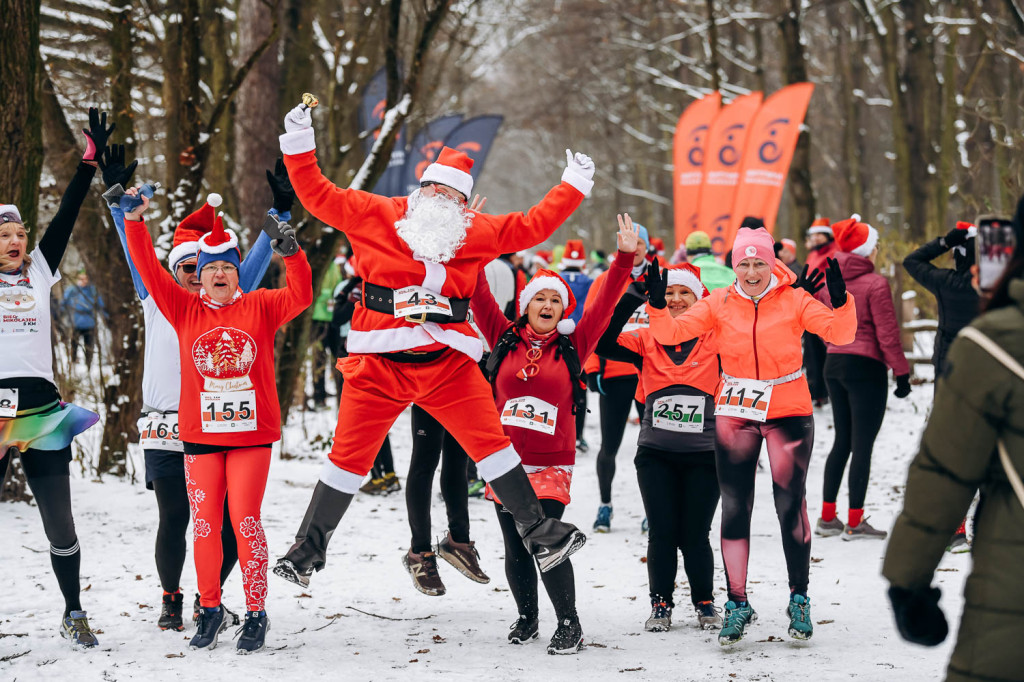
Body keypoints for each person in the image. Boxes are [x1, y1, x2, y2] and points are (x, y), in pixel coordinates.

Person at [274, 101, 594, 595]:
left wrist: (572, 184)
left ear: (464, 205)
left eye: (452, 196)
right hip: (378, 361)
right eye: (434, 190)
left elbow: (533, 225)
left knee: (491, 446)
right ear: (419, 190)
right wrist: (299, 143)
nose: (441, 200)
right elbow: (318, 194)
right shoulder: (376, 213)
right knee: (348, 457)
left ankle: (541, 533)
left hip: (447, 363)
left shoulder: (474, 231)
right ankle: (307, 550)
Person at [123, 184, 312, 653]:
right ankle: (209, 610)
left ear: (238, 275)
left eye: (229, 266)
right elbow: (147, 267)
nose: (221, 274)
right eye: (211, 269)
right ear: (200, 279)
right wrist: (133, 219)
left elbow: (303, 295)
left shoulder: (262, 305)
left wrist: (292, 254)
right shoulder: (182, 308)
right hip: (201, 436)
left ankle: (256, 612)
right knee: (204, 524)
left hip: (251, 434)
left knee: (244, 520)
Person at [644, 226, 856, 645]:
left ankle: (799, 599)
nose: (752, 270)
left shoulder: (794, 299)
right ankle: (737, 603)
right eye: (744, 262)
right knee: (735, 508)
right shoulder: (718, 303)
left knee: (789, 506)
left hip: (789, 412)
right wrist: (655, 305)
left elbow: (841, 334)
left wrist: (842, 301)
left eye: (760, 262)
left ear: (773, 262)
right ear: (734, 265)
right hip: (736, 413)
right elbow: (669, 334)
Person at [102, 145, 275, 631]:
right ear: (175, 271)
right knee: (175, 516)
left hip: (219, 424)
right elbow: (133, 246)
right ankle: (171, 597)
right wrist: (118, 203)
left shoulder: (228, 302)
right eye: (187, 269)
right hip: (165, 425)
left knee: (225, 523)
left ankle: (208, 600)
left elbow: (254, 263)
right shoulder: (160, 299)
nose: (196, 277)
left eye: (205, 269)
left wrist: (279, 213)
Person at [471, 213, 637, 653]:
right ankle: (527, 618)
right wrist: (472, 235)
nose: (547, 306)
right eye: (539, 298)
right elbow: (477, 289)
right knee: (514, 545)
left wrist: (622, 259)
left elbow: (603, 305)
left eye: (555, 301)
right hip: (504, 459)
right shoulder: (502, 337)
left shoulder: (573, 346)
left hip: (550, 462)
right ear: (525, 305)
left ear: (563, 311)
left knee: (546, 539)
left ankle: (570, 623)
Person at [883, 195, 1024, 682]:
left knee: (970, 454)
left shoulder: (957, 290)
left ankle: (962, 529)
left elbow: (942, 473)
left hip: (1011, 588)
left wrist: (907, 581)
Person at [0, 107, 109, 647]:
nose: (15, 242)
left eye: (20, 234)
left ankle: (73, 612)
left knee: (60, 525)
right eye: (5, 236)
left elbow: (65, 216)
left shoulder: (40, 271)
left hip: (42, 409)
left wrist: (89, 164)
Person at [596, 262, 724, 632]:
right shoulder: (645, 339)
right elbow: (602, 341)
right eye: (669, 293)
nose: (677, 299)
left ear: (699, 298)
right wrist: (633, 298)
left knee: (695, 534)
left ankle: (704, 602)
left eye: (684, 292)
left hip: (705, 455)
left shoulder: (716, 339)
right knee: (663, 532)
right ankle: (661, 603)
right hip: (656, 455)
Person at [811, 217, 911, 540]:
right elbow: (887, 334)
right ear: (866, 249)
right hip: (866, 368)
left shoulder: (828, 280)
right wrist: (901, 371)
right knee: (862, 444)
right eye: (875, 244)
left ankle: (828, 517)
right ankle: (855, 521)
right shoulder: (876, 283)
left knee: (842, 440)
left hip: (834, 363)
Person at [581, 223, 650, 532]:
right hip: (616, 373)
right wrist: (593, 368)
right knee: (610, 445)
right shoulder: (605, 281)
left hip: (653, 372)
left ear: (647, 247)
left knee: (653, 448)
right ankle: (605, 505)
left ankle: (653, 509)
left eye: (640, 244)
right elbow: (591, 325)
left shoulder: (658, 279)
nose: (635, 249)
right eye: (629, 243)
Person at [559, 238, 594, 452]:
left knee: (558, 389)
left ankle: (560, 433)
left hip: (558, 341)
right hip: (582, 343)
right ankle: (579, 436)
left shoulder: (556, 279)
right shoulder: (590, 282)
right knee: (580, 390)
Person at [804, 217, 837, 406]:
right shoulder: (813, 254)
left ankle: (826, 390)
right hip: (809, 308)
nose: (816, 238)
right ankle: (816, 391)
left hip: (825, 309)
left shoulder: (834, 252)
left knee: (825, 352)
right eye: (813, 234)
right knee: (812, 354)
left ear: (827, 235)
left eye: (819, 234)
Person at [310, 249, 343, 408]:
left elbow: (338, 286)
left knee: (337, 359)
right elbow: (314, 291)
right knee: (319, 359)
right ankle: (318, 396)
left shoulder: (334, 266)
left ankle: (341, 397)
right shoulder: (316, 264)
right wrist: (328, 296)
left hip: (333, 319)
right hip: (317, 318)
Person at [61, 271, 105, 369]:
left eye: (85, 278)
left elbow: (100, 305)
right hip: (75, 322)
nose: (83, 281)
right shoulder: (72, 290)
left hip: (90, 323)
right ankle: (73, 363)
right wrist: (62, 316)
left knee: (89, 345)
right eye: (81, 278)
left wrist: (104, 315)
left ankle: (88, 365)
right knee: (74, 345)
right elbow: (63, 303)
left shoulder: (92, 290)